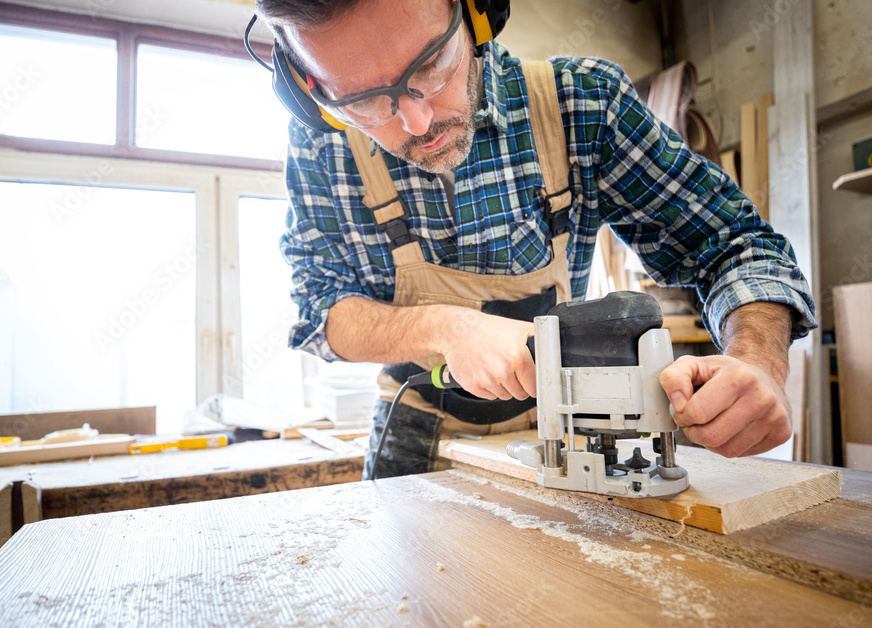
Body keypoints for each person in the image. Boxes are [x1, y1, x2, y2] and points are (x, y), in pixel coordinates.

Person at [251, 0, 816, 479]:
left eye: (431, 65)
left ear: (474, 11)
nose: (417, 122)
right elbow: (319, 312)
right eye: (363, 101)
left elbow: (735, 243)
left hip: (569, 421)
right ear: (309, 90)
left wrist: (757, 361)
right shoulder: (321, 146)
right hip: (413, 431)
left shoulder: (582, 102)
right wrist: (445, 328)